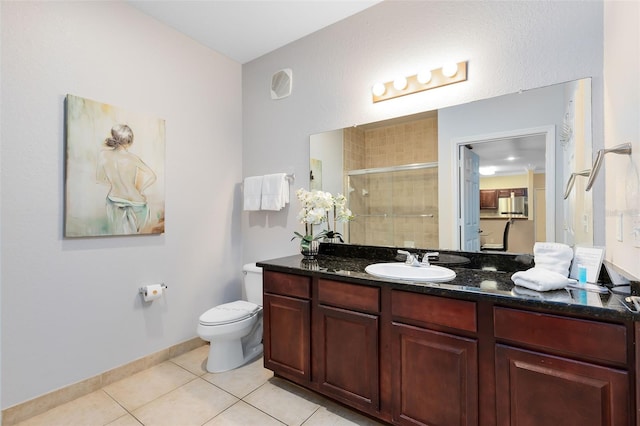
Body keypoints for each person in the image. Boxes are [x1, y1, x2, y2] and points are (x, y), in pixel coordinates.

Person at [97, 124, 156, 234]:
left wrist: (115, 182)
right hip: (137, 202)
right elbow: (153, 176)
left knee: (117, 236)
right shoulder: (133, 158)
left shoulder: (103, 155)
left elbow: (99, 179)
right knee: (143, 237)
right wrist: (141, 190)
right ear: (129, 141)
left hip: (114, 200)